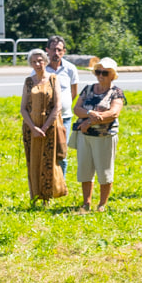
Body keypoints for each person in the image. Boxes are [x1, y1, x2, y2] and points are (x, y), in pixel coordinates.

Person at [72, 57, 125, 212]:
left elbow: (114, 113)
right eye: (98, 71)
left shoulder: (116, 92)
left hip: (105, 136)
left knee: (105, 170)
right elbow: (77, 108)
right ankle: (86, 201)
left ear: (113, 74)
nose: (101, 75)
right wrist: (91, 113)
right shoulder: (88, 88)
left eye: (105, 72)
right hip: (85, 136)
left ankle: (102, 203)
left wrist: (89, 122)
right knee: (85, 169)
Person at [20, 48, 68, 203]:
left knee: (48, 161)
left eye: (40, 60)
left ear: (45, 61)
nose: (37, 64)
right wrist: (34, 128)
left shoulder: (53, 79)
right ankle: (35, 195)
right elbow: (23, 108)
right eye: (34, 61)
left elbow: (57, 106)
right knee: (33, 161)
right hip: (31, 127)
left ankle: (48, 196)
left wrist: (44, 128)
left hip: (49, 127)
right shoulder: (29, 81)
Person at [45, 35, 77, 177]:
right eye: (53, 50)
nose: (56, 53)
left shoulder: (70, 69)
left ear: (63, 51)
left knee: (62, 151)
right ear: (47, 50)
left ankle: (60, 182)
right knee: (47, 150)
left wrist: (61, 105)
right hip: (45, 118)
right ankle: (47, 181)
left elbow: (74, 92)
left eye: (59, 50)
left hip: (65, 118)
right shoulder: (41, 69)